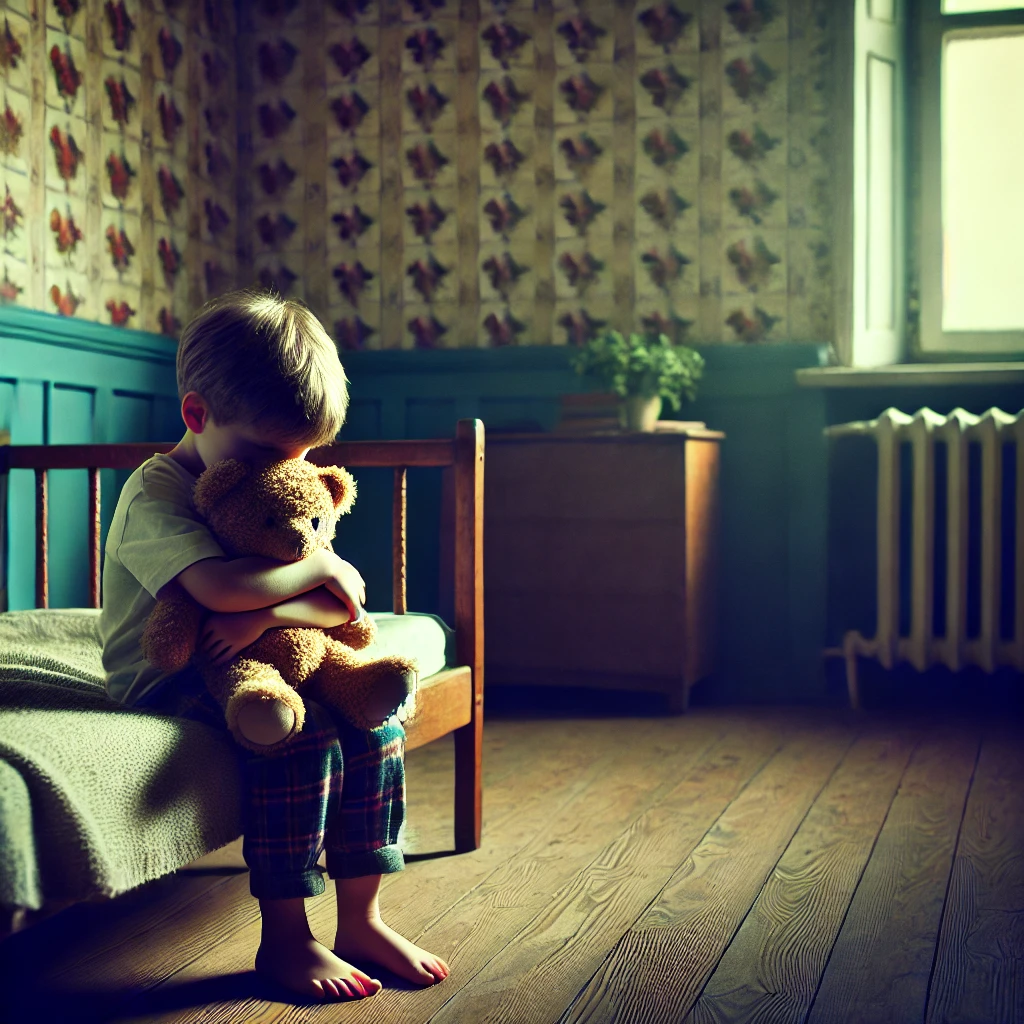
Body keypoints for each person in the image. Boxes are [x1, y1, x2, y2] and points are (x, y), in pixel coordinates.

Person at [99, 288, 449, 1002]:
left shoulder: (278, 490)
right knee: (304, 736)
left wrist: (272, 615)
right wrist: (318, 568)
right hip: (170, 674)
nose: (282, 471)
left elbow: (328, 603)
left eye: (304, 454)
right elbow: (221, 592)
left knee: (372, 722)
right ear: (197, 415)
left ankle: (362, 919)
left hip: (257, 651)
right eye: (265, 452)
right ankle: (286, 937)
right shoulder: (155, 494)